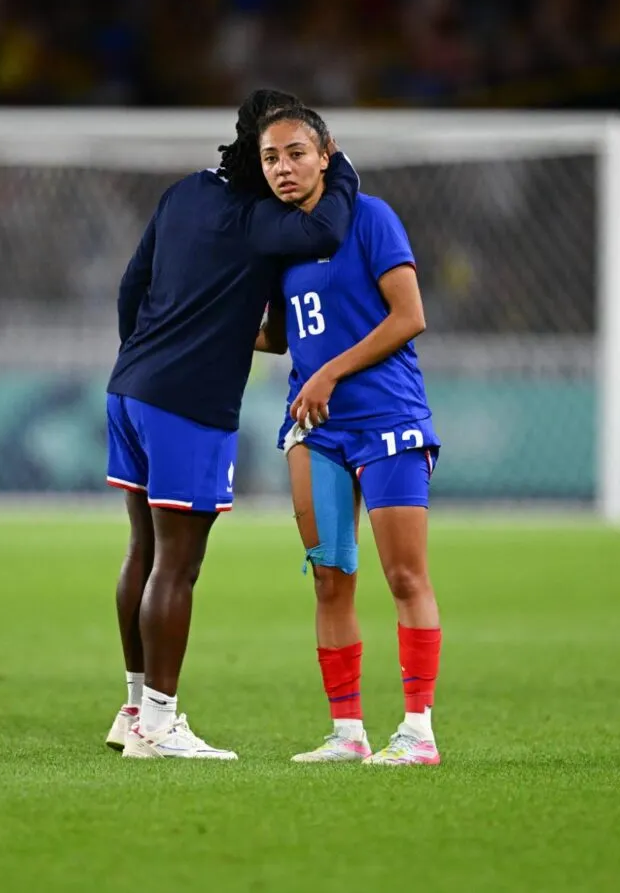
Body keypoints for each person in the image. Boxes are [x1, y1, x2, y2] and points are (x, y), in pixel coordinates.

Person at [104, 91, 360, 760]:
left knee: (143, 550)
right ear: (258, 152)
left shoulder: (184, 192)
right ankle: (158, 725)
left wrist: (146, 357)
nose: (282, 168)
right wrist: (344, 168)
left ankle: (133, 707)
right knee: (178, 565)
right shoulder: (257, 219)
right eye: (273, 153)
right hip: (187, 406)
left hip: (129, 388)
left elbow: (131, 288)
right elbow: (327, 231)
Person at [253, 106, 444, 766]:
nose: (284, 167)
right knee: (330, 578)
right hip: (315, 429)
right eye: (272, 158)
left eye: (296, 152)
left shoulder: (372, 216)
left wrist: (330, 371)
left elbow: (410, 314)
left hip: (387, 419)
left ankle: (418, 729)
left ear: (327, 153)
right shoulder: (282, 240)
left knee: (403, 574)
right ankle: (348, 730)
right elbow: (282, 333)